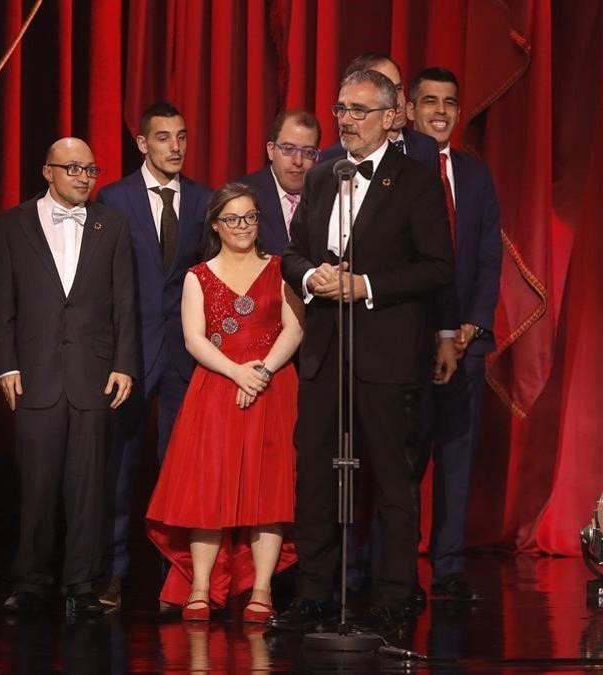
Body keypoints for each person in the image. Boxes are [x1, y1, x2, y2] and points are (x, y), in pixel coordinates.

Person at [270, 69, 454, 633]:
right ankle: (315, 589)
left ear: (391, 116)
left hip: (386, 352)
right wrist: (312, 278)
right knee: (317, 475)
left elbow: (438, 267)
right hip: (326, 350)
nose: (345, 120)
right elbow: (292, 254)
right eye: (341, 108)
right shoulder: (322, 177)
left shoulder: (416, 181)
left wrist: (365, 284)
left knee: (392, 479)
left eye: (358, 110)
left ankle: (397, 592)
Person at [0, 137, 138, 616]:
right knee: (36, 485)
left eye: (90, 169)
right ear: (47, 171)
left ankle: (80, 582)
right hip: (35, 373)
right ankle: (31, 580)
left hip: (94, 374)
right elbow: (4, 301)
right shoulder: (12, 224)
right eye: (73, 168)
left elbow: (124, 300)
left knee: (88, 485)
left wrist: (123, 363)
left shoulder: (111, 224)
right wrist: (6, 364)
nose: (83, 177)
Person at [145, 183, 303, 622]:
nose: (242, 227)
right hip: (215, 390)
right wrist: (237, 372)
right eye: (232, 219)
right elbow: (194, 338)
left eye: (250, 217)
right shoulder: (198, 275)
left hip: (273, 389)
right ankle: (200, 587)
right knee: (207, 493)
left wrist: (263, 372)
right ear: (216, 224)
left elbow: (293, 329)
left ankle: (263, 591)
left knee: (268, 492)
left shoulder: (279, 268)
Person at [95, 102, 213, 610]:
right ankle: (112, 571)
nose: (175, 147)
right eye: (163, 138)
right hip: (128, 353)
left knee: (180, 467)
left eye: (182, 137)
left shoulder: (206, 200)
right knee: (119, 466)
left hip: (185, 355)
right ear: (143, 143)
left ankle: (178, 576)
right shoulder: (114, 198)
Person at [406, 66, 502, 603]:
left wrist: (472, 324)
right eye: (430, 102)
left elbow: (488, 255)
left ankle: (448, 569)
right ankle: (394, 571)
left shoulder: (475, 174)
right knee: (405, 461)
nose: (440, 112)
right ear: (411, 110)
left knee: (458, 460)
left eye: (449, 102)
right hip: (412, 344)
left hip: (468, 343)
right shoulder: (397, 172)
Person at [318, 53, 439, 172]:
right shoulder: (331, 159)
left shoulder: (427, 148)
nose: (397, 102)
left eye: (398, 89)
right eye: (385, 92)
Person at [237, 110, 322, 254]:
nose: (298, 161)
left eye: (308, 152)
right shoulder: (242, 196)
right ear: (271, 150)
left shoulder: (328, 196)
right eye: (288, 149)